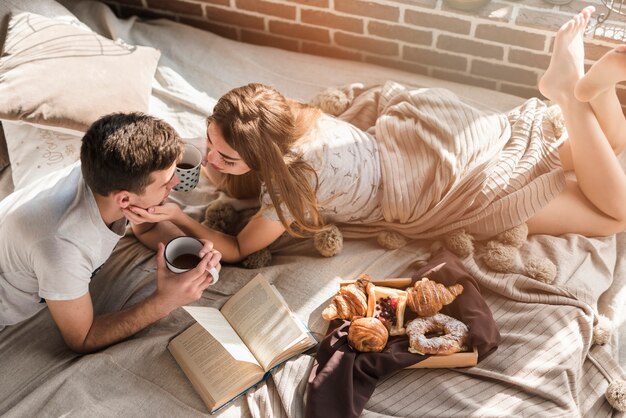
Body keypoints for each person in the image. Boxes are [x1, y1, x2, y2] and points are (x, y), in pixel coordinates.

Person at [129, 6, 625, 263]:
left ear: (265, 157)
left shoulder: (291, 184)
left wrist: (179, 217)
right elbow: (218, 159)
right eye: (210, 145)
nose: (213, 161)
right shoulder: (282, 115)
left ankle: (570, 97)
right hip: (423, 134)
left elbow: (238, 250)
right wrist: (185, 171)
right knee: (606, 156)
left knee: (615, 218)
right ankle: (596, 94)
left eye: (227, 158)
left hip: (436, 184)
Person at [0, 112, 222, 353]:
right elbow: (82, 338)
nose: (175, 182)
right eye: (166, 182)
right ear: (124, 199)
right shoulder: (64, 249)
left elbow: (145, 226)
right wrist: (165, 301)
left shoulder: (107, 168)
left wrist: (191, 250)